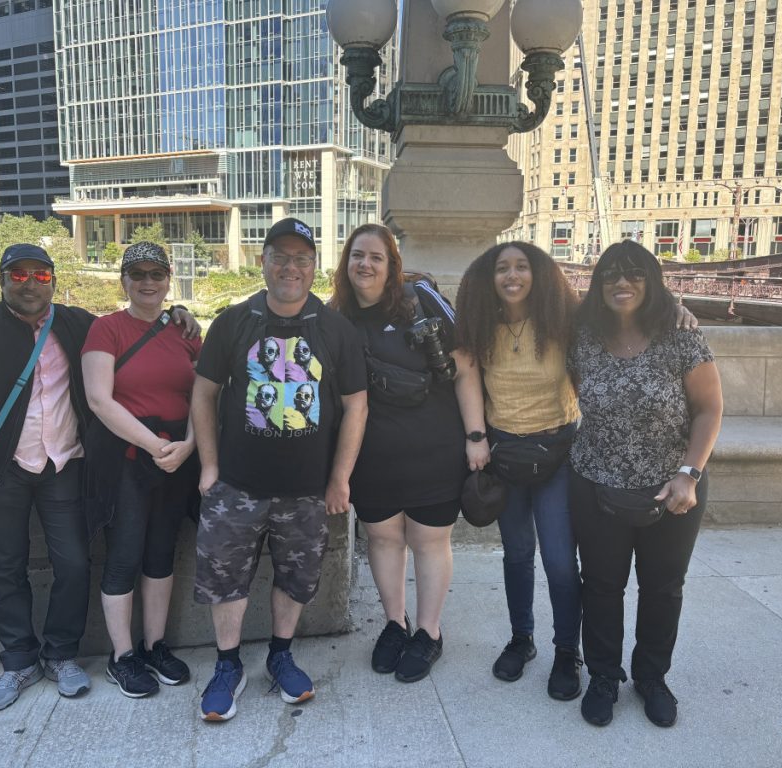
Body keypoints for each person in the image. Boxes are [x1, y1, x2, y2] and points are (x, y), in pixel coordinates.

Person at [0, 242, 199, 712]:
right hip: (2, 470)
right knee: (6, 567)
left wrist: (178, 312)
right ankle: (17, 662)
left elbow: (139, 318)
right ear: (2, 280)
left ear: (54, 280)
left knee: (74, 564)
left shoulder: (76, 324)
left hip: (65, 465)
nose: (30, 284)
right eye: (19, 275)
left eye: (42, 276)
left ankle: (61, 655)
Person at [191, 217, 368, 721]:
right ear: (262, 260)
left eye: (301, 259)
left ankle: (280, 655)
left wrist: (339, 479)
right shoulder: (233, 321)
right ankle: (228, 665)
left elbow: (356, 406)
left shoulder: (335, 329)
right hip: (236, 486)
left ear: (314, 267)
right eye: (280, 257)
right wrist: (209, 466)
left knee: (297, 577)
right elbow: (203, 393)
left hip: (307, 490)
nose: (290, 267)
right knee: (225, 579)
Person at [567, 240, 722, 728]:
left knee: (662, 588)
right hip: (595, 482)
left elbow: (709, 408)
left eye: (635, 274)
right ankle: (604, 677)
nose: (621, 283)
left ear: (653, 282)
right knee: (602, 587)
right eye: (611, 274)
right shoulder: (581, 337)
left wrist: (689, 474)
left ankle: (652, 678)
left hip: (673, 488)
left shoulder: (681, 337)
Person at [328, 223, 489, 682]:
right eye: (358, 255)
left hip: (433, 447)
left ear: (391, 264)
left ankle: (429, 631)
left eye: (377, 257)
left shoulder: (420, 301)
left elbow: (466, 367)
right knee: (381, 539)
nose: (366, 264)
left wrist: (476, 435)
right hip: (372, 455)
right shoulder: (336, 315)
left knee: (428, 541)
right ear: (346, 263)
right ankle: (394, 624)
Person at [454, 241, 585, 701]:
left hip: (557, 452)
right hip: (505, 454)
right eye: (502, 268)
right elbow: (466, 376)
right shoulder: (480, 325)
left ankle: (568, 650)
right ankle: (522, 639)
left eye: (522, 266)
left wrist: (675, 311)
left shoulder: (564, 321)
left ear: (539, 273)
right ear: (489, 278)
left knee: (558, 561)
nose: (512, 275)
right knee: (516, 554)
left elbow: (620, 319)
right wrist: (476, 437)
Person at [81, 242, 201, 698]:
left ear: (169, 279)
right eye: (138, 274)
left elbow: (202, 392)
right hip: (128, 459)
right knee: (124, 556)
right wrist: (155, 445)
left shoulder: (185, 330)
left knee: (161, 555)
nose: (148, 282)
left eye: (157, 274)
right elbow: (98, 399)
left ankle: (155, 646)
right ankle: (122, 656)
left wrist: (188, 444)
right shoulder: (106, 329)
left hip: (176, 459)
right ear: (124, 281)